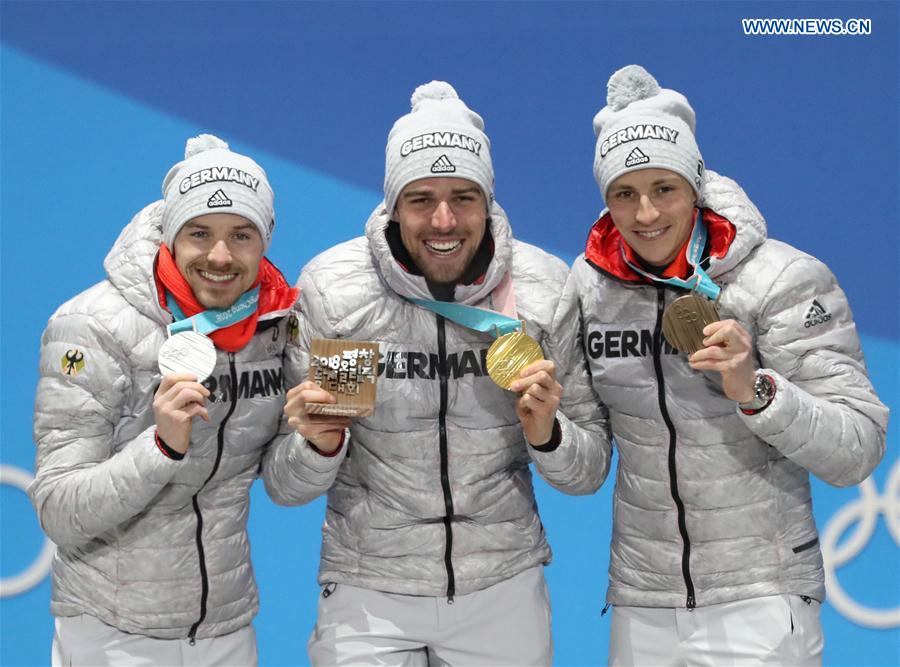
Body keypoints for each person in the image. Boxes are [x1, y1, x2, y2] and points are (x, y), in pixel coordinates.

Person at [261, 81, 607, 666]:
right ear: (393, 204)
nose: (443, 221)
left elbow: (587, 473)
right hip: (368, 588)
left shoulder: (543, 288)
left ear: (489, 200)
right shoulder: (337, 290)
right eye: (421, 198)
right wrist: (318, 447)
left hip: (502, 586)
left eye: (463, 197)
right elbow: (284, 486)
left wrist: (549, 432)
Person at [556, 65, 889, 665]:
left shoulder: (782, 279)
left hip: (761, 599)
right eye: (624, 194)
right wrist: (547, 430)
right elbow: (587, 464)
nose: (646, 213)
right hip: (643, 602)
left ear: (696, 183)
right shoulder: (586, 289)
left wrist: (756, 389)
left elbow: (859, 448)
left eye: (664, 188)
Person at [29, 135, 301, 666]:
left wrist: (317, 442)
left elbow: (287, 488)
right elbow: (58, 510)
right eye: (200, 233)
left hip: (226, 627)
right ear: (170, 235)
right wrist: (161, 448)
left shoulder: (275, 325)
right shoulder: (91, 327)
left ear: (264, 240)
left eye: (240, 235)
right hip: (112, 632)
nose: (220, 257)